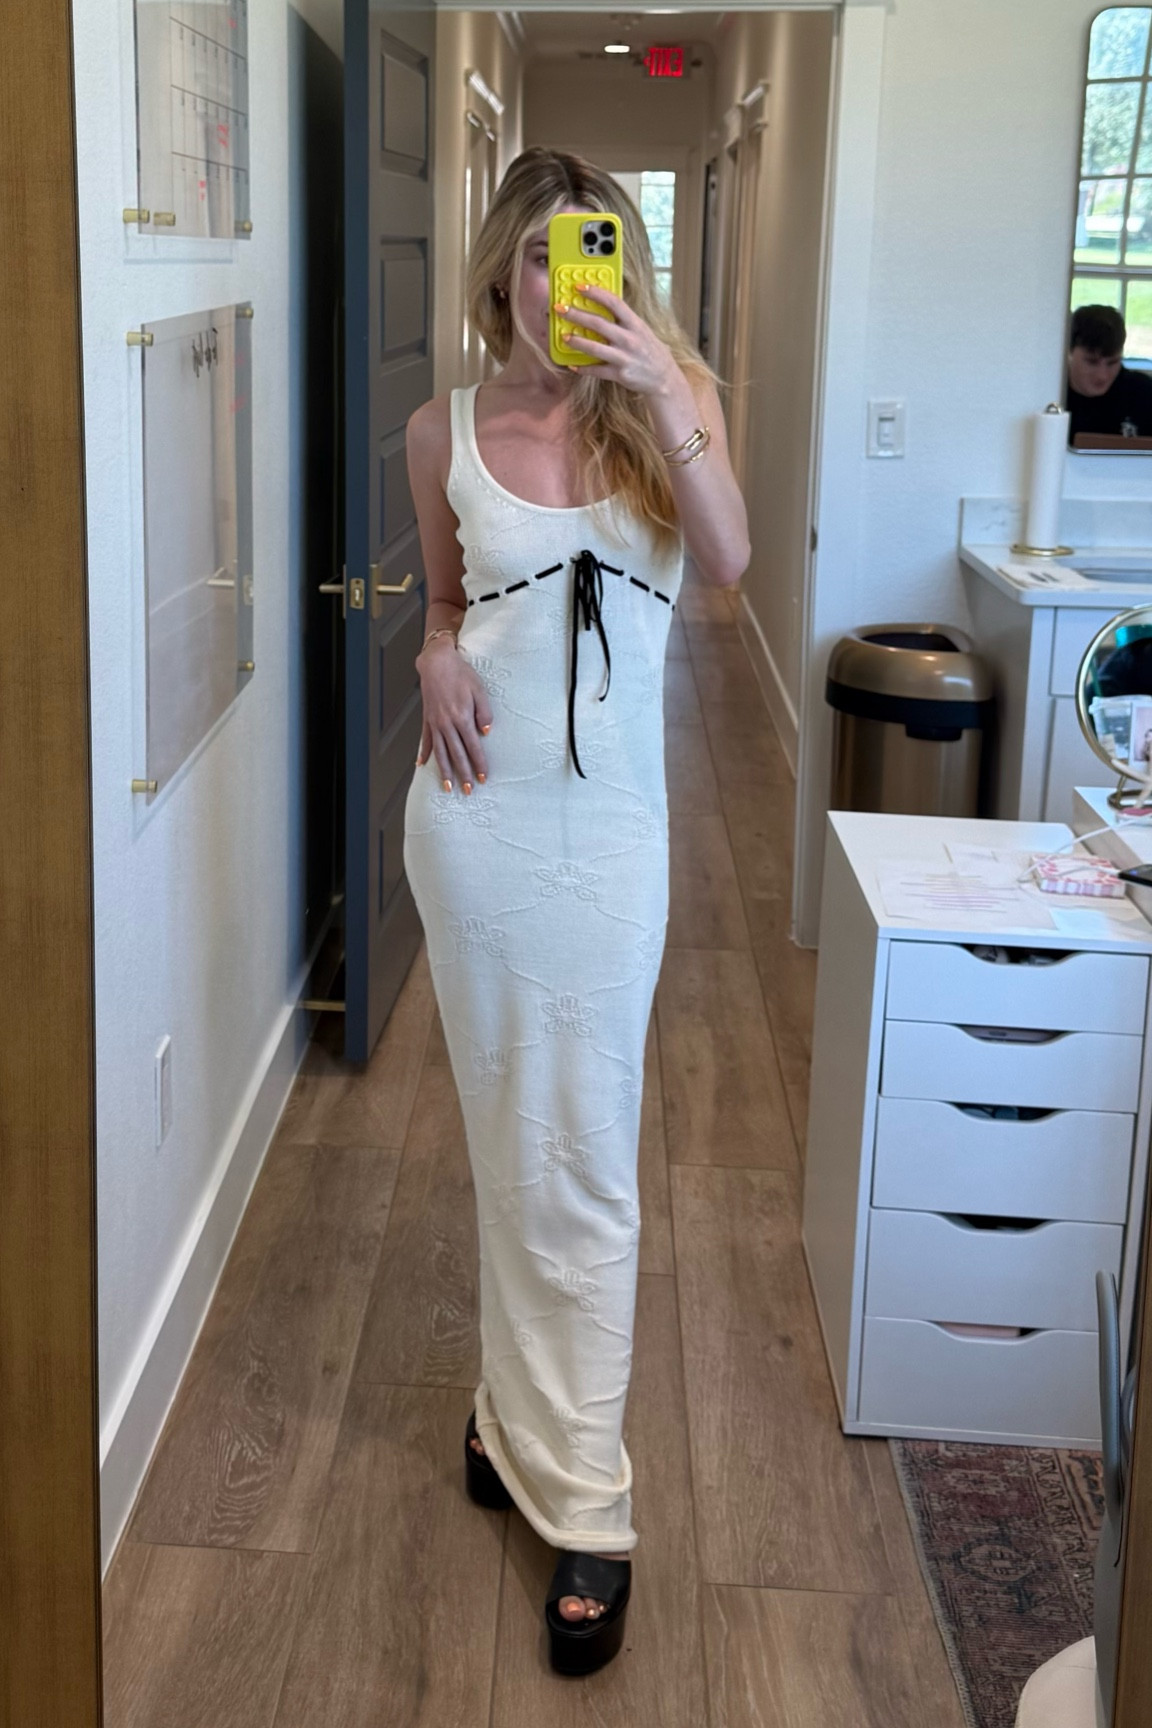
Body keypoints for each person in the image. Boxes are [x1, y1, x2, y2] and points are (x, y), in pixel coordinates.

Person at [402, 147, 749, 1674]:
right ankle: (507, 1420)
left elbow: (729, 563)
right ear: (501, 273)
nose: (561, 283)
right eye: (540, 256)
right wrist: (433, 650)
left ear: (626, 263)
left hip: (611, 845)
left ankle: (588, 1503)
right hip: (474, 832)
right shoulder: (441, 431)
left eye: (589, 250)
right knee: (509, 1148)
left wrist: (661, 387)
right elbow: (445, 604)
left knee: (589, 1158)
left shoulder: (673, 403)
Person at [1065, 304, 1152, 440]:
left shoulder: (1143, 393)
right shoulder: (1048, 392)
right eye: (1092, 362)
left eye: (1113, 363)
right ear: (1068, 352)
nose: (1102, 376)